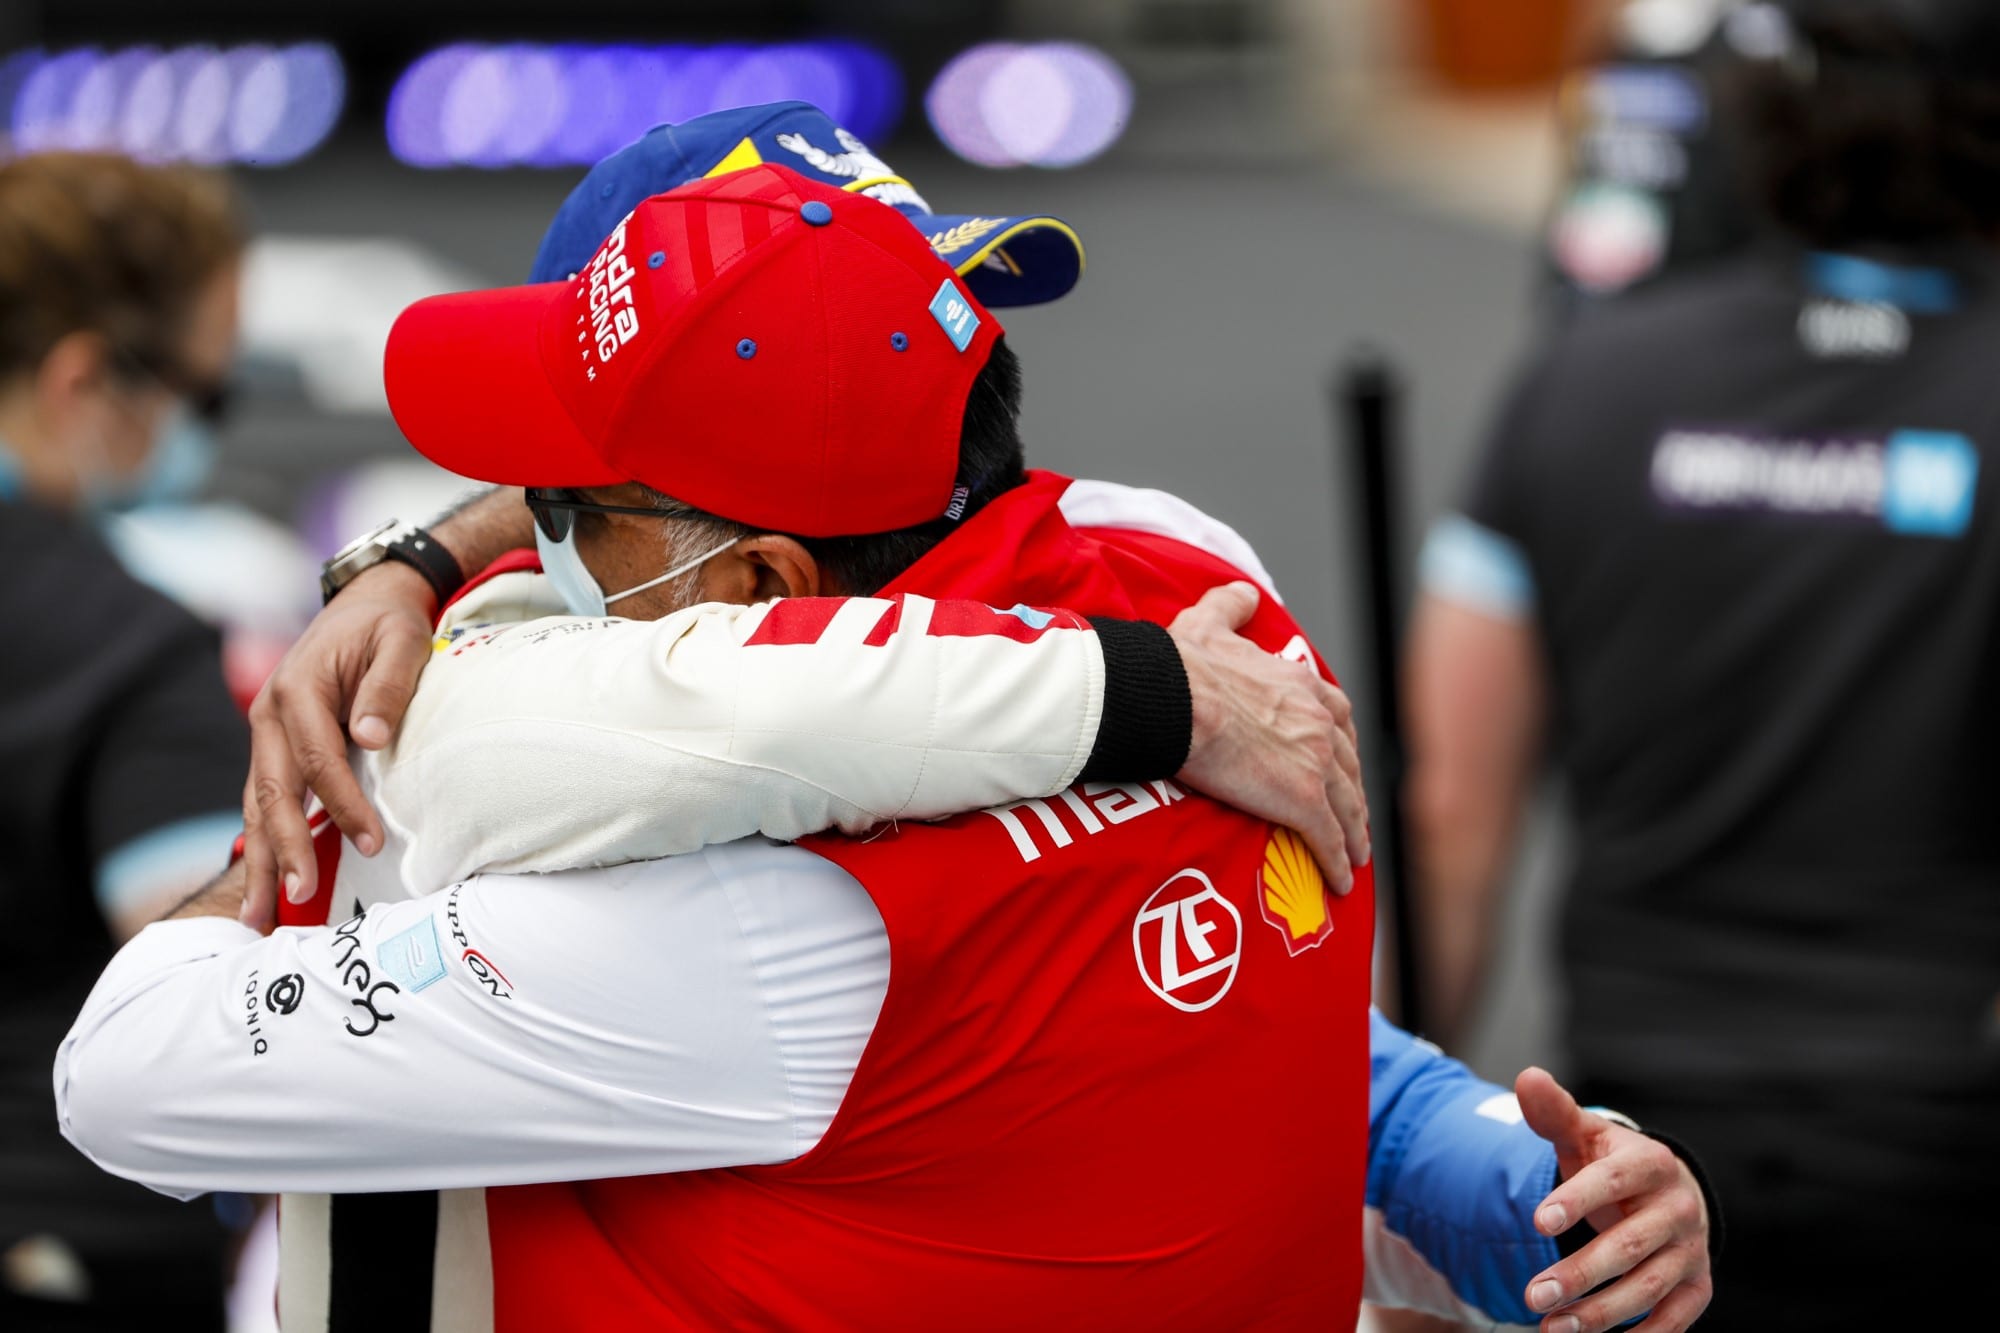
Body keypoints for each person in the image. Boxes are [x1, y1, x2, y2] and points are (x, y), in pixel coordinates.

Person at [61, 164, 1713, 1332]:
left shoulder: (723, 926)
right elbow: (1202, 1064)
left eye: (562, 501)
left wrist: (293, 843)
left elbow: (130, 1068)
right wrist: (1496, 1187)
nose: (521, 546)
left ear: (768, 590)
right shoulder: (1211, 597)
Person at [1405, 1, 1999, 1326]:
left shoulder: (1580, 384)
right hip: (1942, 1127)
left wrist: (1397, 1143)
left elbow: (1445, 809)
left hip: (1628, 1145)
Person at [0, 151, 247, 1329]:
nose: (203, 432)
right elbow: (210, 988)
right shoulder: (126, 644)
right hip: (68, 1253)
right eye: (206, 396)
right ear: (85, 379)